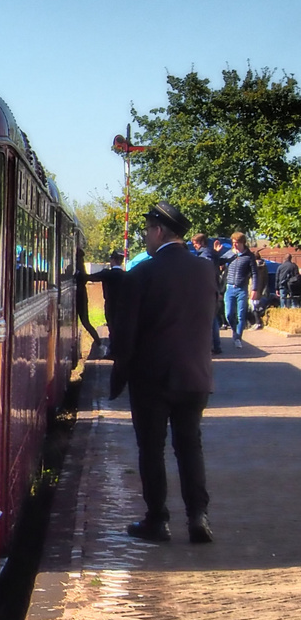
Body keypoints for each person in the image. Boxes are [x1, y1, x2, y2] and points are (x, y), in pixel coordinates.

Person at [108, 202, 215, 544]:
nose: (144, 238)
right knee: (189, 446)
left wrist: (120, 371)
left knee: (152, 449)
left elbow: (126, 332)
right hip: (195, 376)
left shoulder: (142, 274)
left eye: (146, 231)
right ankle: (198, 517)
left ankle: (158, 520)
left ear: (158, 231)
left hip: (152, 378)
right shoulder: (205, 271)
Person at [218, 232, 257, 348]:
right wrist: (217, 253)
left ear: (242, 243)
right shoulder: (229, 253)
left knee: (241, 315)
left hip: (242, 288)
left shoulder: (249, 256)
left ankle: (238, 337)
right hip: (229, 288)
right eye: (233, 243)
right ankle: (235, 331)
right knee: (229, 314)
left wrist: (254, 289)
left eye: (237, 243)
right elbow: (218, 262)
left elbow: (254, 273)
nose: (234, 245)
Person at [189, 232, 224, 355]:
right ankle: (216, 346)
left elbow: (208, 273)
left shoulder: (205, 255)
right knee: (212, 318)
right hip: (214, 289)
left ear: (202, 242)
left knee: (209, 319)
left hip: (208, 290)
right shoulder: (209, 253)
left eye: (196, 243)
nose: (194, 246)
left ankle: (211, 346)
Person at [73, 245, 103, 354]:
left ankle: (99, 343)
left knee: (85, 322)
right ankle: (99, 343)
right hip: (82, 296)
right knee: (85, 322)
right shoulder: (81, 268)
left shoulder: (77, 269)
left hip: (79, 296)